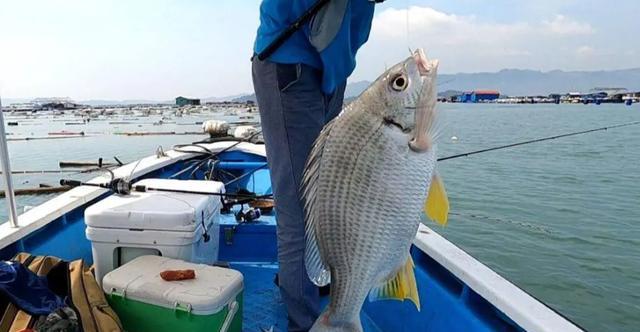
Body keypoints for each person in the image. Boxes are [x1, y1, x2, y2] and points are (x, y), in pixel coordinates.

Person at [251, 1, 382, 331]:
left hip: (332, 72)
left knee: (328, 196)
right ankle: (305, 323)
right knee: (300, 208)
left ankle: (302, 280)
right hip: (290, 60)